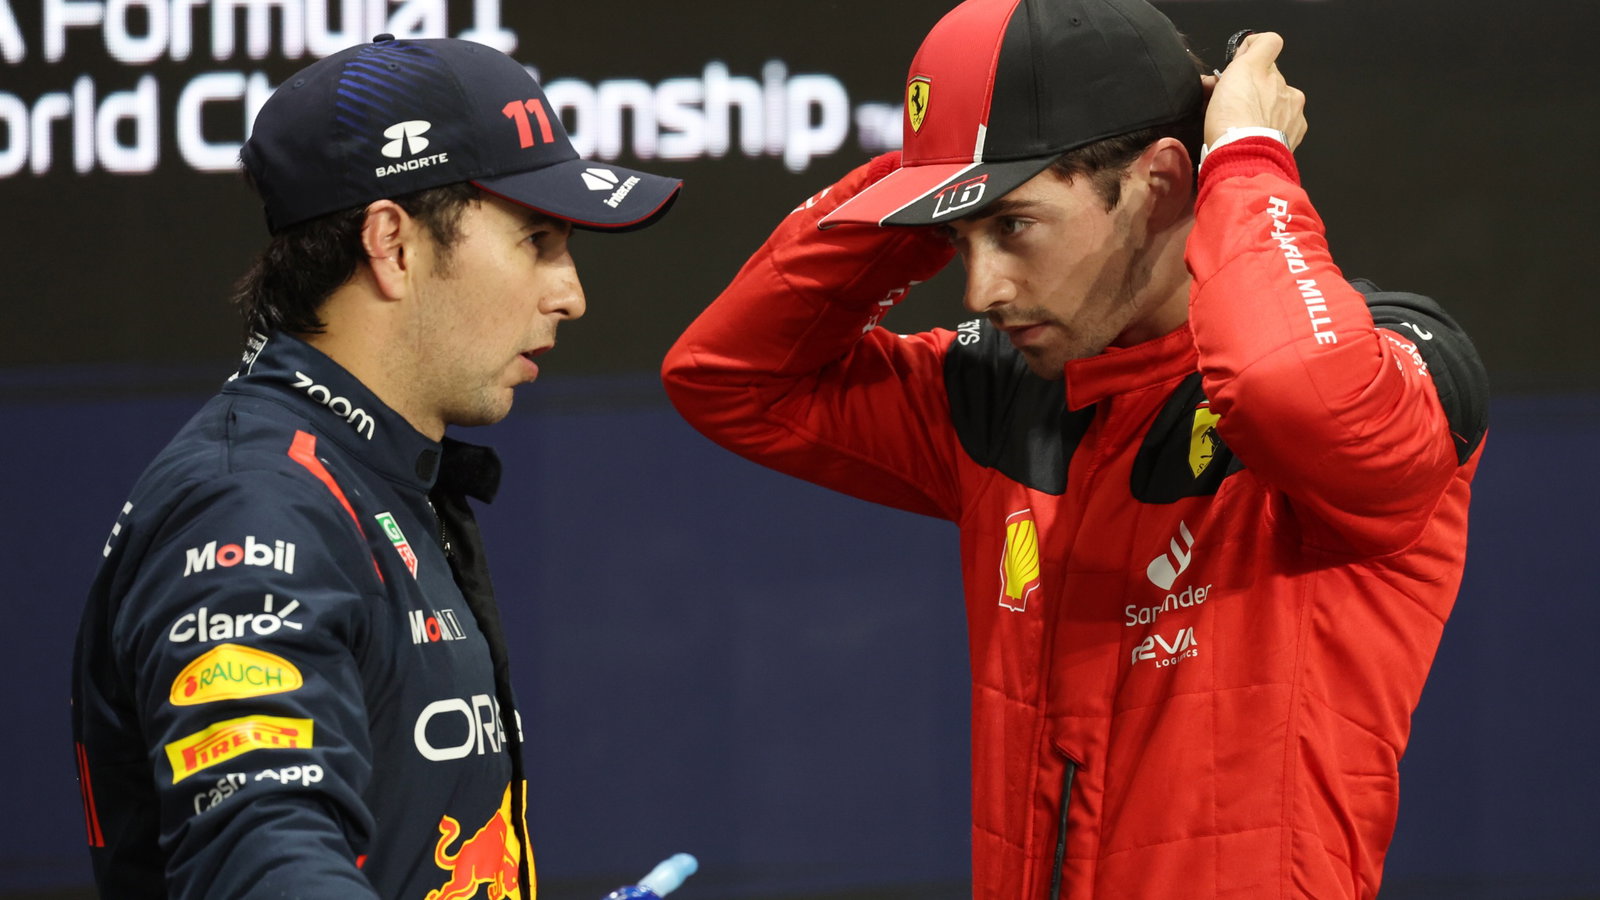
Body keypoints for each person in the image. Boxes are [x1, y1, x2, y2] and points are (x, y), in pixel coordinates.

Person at [662, 0, 1487, 897]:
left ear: (1165, 182)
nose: (979, 288)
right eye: (955, 236)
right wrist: (935, 164)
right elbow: (729, 376)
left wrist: (1246, 158)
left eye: (1012, 225)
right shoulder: (1002, 391)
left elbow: (1288, 385)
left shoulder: (1390, 371)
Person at [72, 34, 680, 899]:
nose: (571, 293)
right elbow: (266, 860)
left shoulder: (370, 476)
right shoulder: (252, 504)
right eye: (537, 238)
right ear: (391, 243)